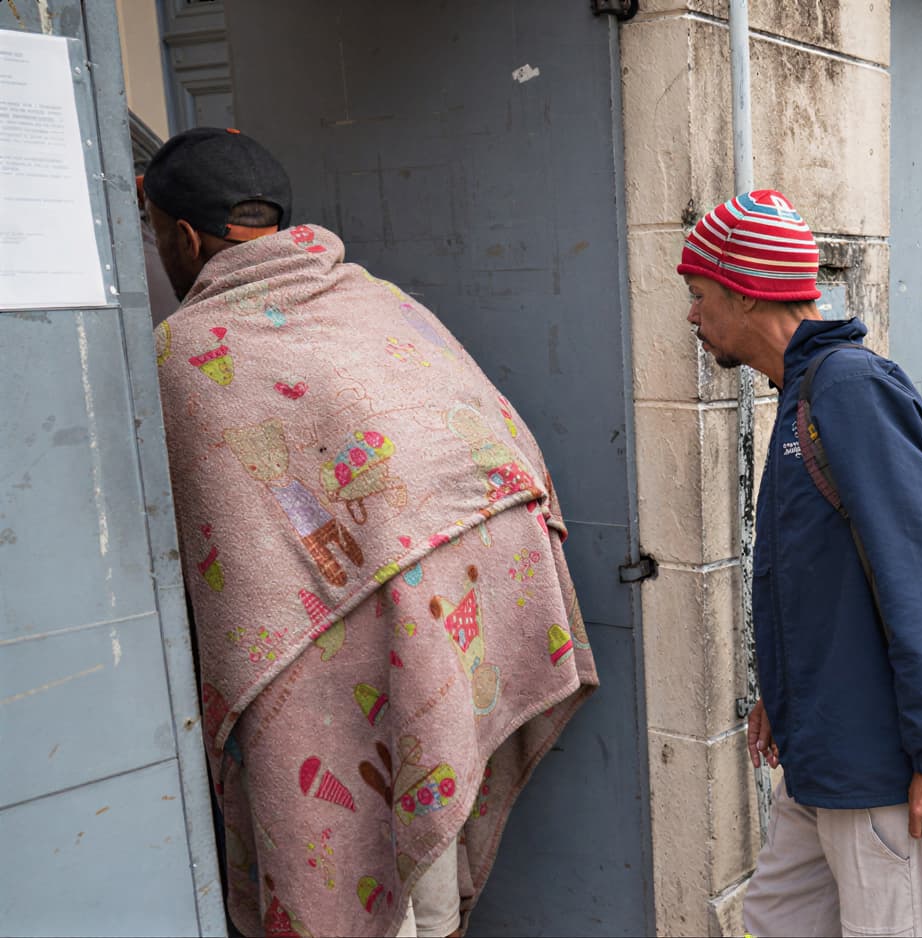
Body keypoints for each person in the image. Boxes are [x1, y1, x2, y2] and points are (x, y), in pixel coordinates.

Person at [144, 128, 598, 938]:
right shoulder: (382, 302)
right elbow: (497, 445)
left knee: (351, 835)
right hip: (441, 619)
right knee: (425, 803)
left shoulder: (185, 350)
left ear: (182, 236)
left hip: (328, 646)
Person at [677, 190, 922, 936]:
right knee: (776, 919)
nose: (691, 315)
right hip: (822, 753)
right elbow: (823, 578)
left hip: (882, 771)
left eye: (699, 293)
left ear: (745, 292)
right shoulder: (803, 393)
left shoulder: (849, 390)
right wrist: (781, 691)